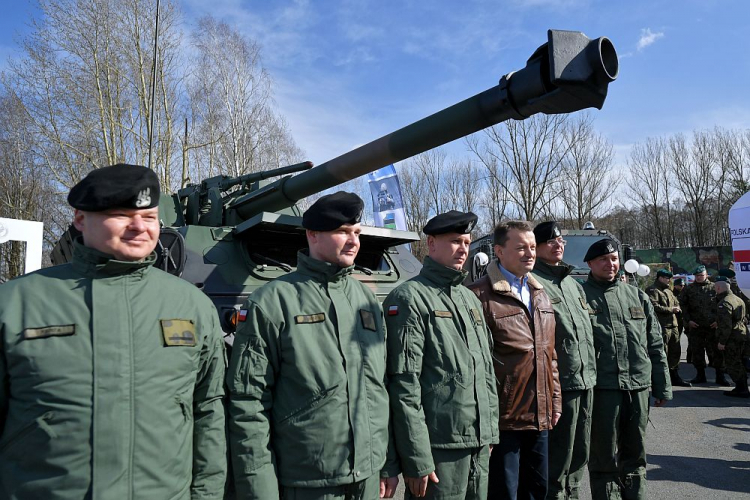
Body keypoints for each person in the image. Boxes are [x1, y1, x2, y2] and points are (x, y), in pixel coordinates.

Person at [0, 164, 227, 499]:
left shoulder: (192, 306)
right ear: (80, 218)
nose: (139, 227)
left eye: (149, 217)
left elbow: (208, 412)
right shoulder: (16, 303)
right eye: (121, 214)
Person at [226, 191, 399, 500]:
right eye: (343, 232)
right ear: (313, 234)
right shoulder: (273, 302)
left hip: (367, 477)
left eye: (357, 232)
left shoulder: (366, 300)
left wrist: (386, 463)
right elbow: (249, 403)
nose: (353, 241)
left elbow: (379, 386)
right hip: (307, 482)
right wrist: (259, 489)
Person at [384, 210, 499, 500]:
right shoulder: (409, 298)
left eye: (467, 241)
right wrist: (417, 457)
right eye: (455, 241)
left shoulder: (468, 298)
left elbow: (485, 369)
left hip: (477, 445)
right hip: (439, 451)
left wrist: (489, 431)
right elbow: (403, 385)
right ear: (431, 243)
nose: (463, 248)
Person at [467, 220, 561, 500]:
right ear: (499, 251)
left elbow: (550, 354)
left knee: (537, 489)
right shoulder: (478, 295)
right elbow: (476, 365)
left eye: (532, 247)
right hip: (504, 420)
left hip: (540, 416)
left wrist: (554, 400)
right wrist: (486, 420)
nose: (530, 253)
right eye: (520, 247)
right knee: (503, 493)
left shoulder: (540, 294)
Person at [582, 238, 671, 500]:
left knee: (636, 453)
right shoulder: (580, 296)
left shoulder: (636, 295)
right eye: (603, 260)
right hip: (603, 388)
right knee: (603, 456)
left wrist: (662, 385)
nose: (610, 264)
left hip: (638, 386)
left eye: (613, 259)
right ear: (590, 264)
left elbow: (655, 343)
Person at [530, 221, 596, 500]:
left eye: (561, 241)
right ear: (538, 247)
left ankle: (573, 495)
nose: (559, 245)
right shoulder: (534, 283)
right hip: (560, 383)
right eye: (551, 241)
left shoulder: (572, 284)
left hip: (586, 380)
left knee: (581, 451)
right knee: (559, 454)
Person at [680, 266, 728, 385]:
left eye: (701, 275)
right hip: (696, 326)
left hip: (713, 326)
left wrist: (718, 321)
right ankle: (700, 375)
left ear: (707, 275)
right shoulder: (688, 289)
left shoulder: (714, 287)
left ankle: (720, 376)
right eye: (697, 276)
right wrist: (688, 320)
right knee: (697, 352)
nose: (699, 278)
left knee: (717, 352)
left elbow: (723, 304)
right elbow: (683, 306)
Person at [646, 269, 691, 387]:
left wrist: (678, 308)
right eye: (667, 278)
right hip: (662, 326)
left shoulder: (669, 291)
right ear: (660, 278)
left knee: (675, 352)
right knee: (662, 353)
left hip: (673, 325)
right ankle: (660, 378)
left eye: (669, 278)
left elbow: (677, 302)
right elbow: (653, 306)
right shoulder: (652, 290)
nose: (669, 280)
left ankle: (674, 376)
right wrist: (671, 310)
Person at [715, 277, 749, 398]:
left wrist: (722, 342)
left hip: (732, 338)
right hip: (741, 334)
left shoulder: (724, 303)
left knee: (733, 363)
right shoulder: (738, 299)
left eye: (715, 288)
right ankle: (742, 387)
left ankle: (742, 388)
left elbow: (726, 326)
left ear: (718, 288)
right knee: (740, 361)